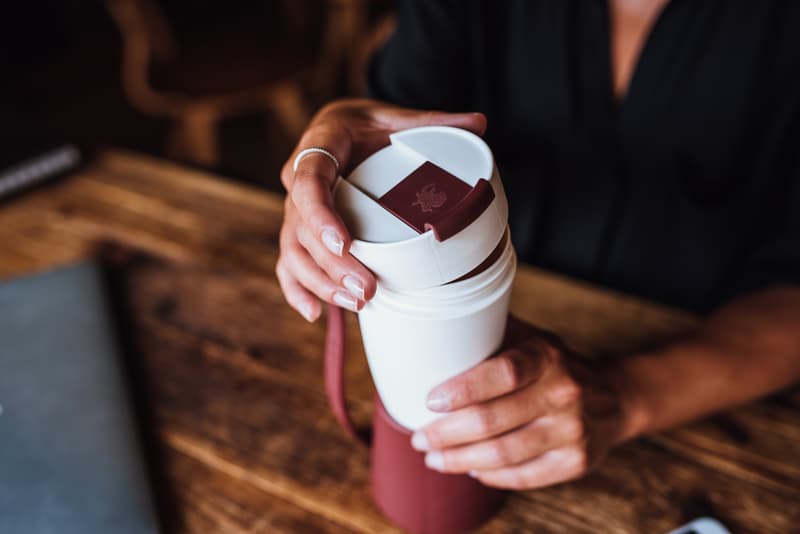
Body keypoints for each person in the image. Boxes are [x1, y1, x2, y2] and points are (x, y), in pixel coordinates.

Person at [276, 0, 800, 490]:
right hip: (449, 351)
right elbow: (386, 124)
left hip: (710, 395)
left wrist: (628, 396)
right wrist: (330, 146)